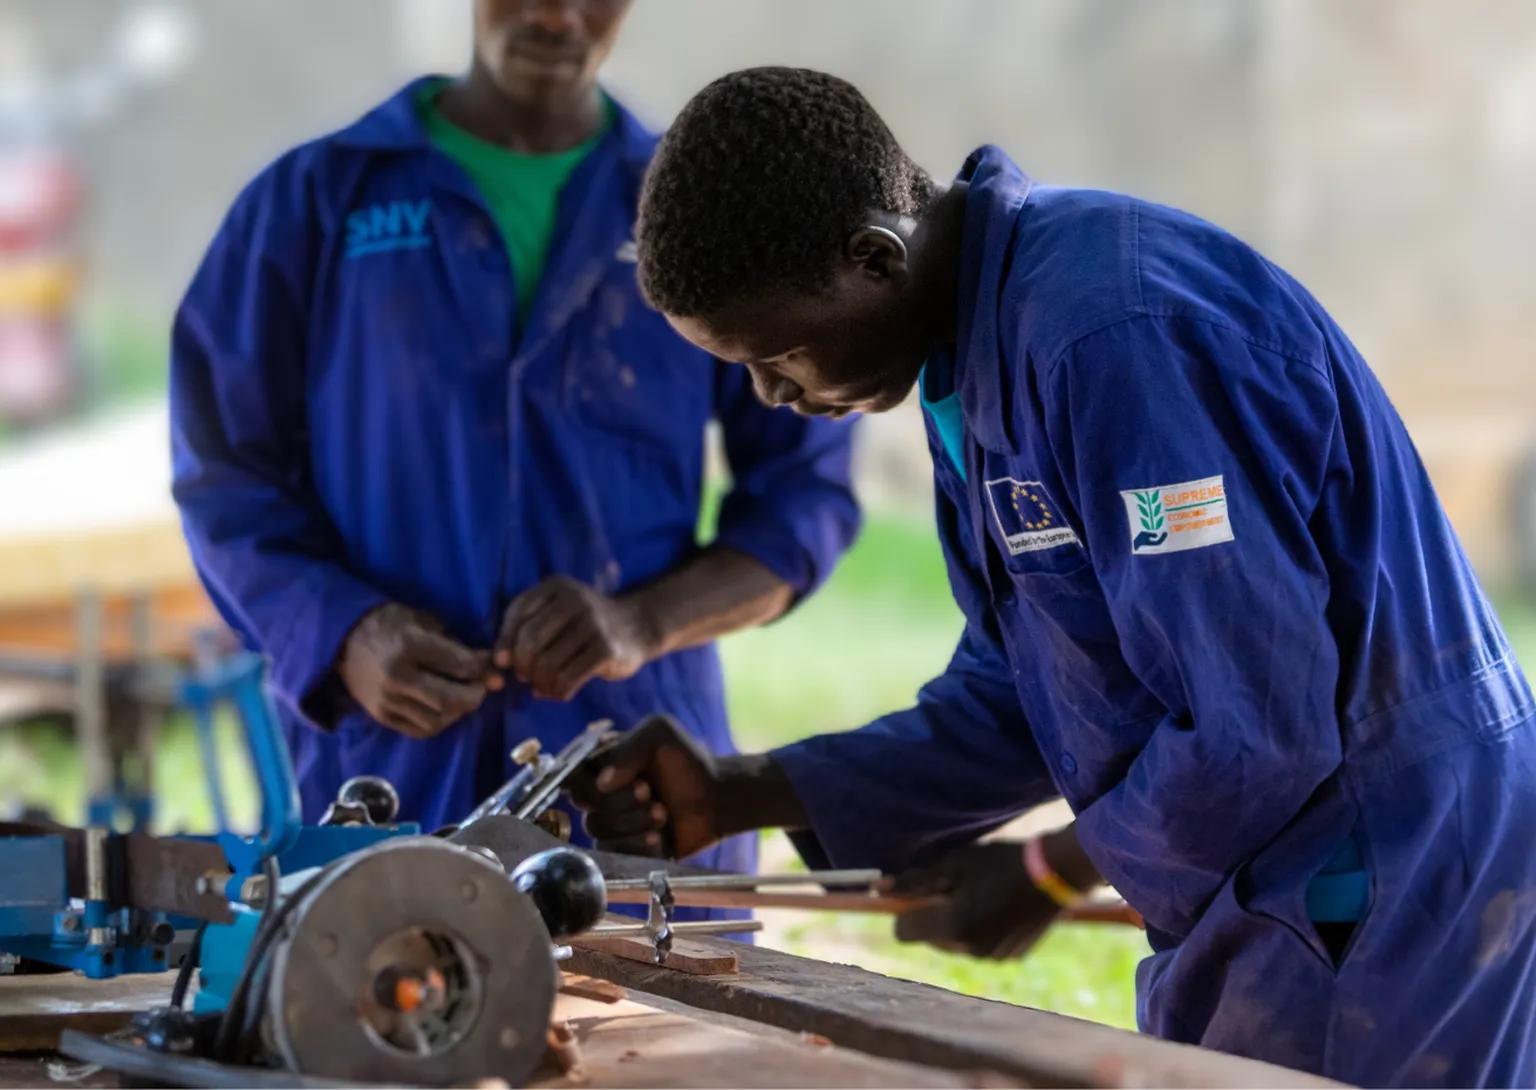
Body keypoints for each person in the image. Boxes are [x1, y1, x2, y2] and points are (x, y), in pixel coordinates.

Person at [567, 66, 1536, 1086]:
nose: (773, 397)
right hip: (1278, 882)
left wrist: (1047, 870)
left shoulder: (1113, 340)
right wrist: (742, 791)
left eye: (782, 356)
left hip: (1381, 879)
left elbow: (1258, 723)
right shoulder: (971, 360)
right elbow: (1030, 697)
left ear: (874, 257)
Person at [168, 6, 860, 907]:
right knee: (376, 1008)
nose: (555, 12)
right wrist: (342, 633)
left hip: (635, 786)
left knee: (672, 1037)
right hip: (389, 774)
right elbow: (223, 478)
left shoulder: (696, 212)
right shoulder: (314, 202)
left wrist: (641, 623)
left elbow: (807, 496)